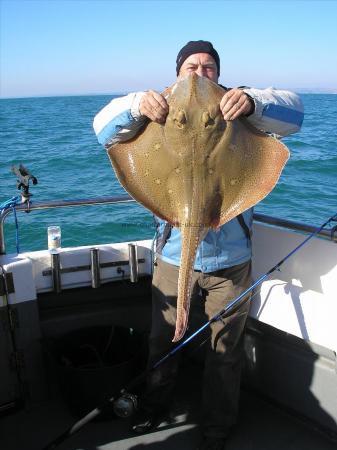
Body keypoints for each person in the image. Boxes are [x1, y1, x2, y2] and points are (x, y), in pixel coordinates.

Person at [93, 41, 304, 450]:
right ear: (176, 73)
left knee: (225, 350)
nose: (198, 74)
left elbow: (295, 112)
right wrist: (138, 105)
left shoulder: (239, 106)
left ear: (219, 74)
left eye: (208, 67)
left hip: (231, 261)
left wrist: (253, 102)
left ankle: (217, 427)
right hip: (173, 256)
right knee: (161, 340)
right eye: (190, 66)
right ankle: (155, 406)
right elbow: (102, 127)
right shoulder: (155, 107)